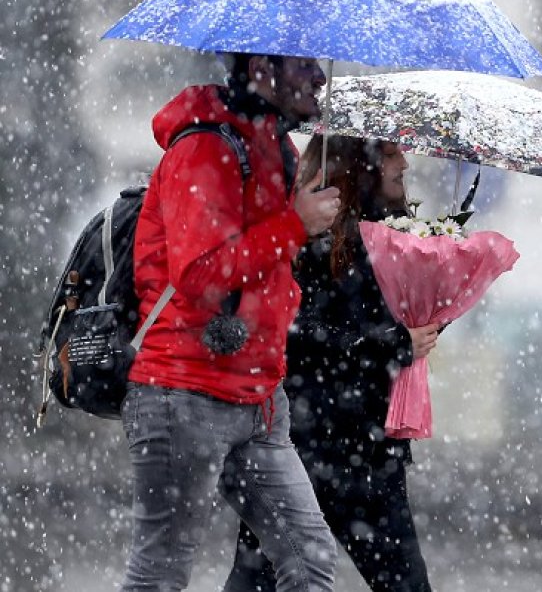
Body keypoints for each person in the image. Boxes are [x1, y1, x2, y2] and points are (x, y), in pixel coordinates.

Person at [122, 53, 341, 591]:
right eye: (302, 64)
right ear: (261, 67)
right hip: (184, 392)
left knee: (309, 560)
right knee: (160, 573)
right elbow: (200, 272)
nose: (319, 76)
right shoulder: (205, 147)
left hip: (261, 398)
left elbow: (270, 268)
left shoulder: (276, 148)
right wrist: (294, 224)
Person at [224, 135, 440, 592]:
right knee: (259, 580)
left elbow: (393, 332)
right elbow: (298, 334)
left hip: (370, 451)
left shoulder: (398, 236)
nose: (403, 161)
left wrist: (432, 313)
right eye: (389, 153)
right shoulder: (307, 238)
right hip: (304, 446)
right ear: (357, 165)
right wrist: (391, 344)